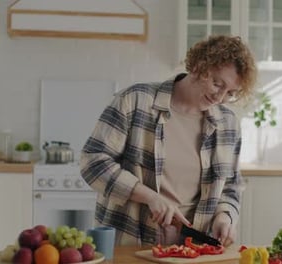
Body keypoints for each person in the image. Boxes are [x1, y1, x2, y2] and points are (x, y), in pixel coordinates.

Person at [80, 35, 257, 248]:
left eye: (230, 93)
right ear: (200, 66)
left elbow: (231, 185)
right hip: (130, 244)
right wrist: (148, 196)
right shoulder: (135, 101)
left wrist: (225, 217)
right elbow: (93, 162)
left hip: (194, 251)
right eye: (217, 84)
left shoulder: (228, 124)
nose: (220, 97)